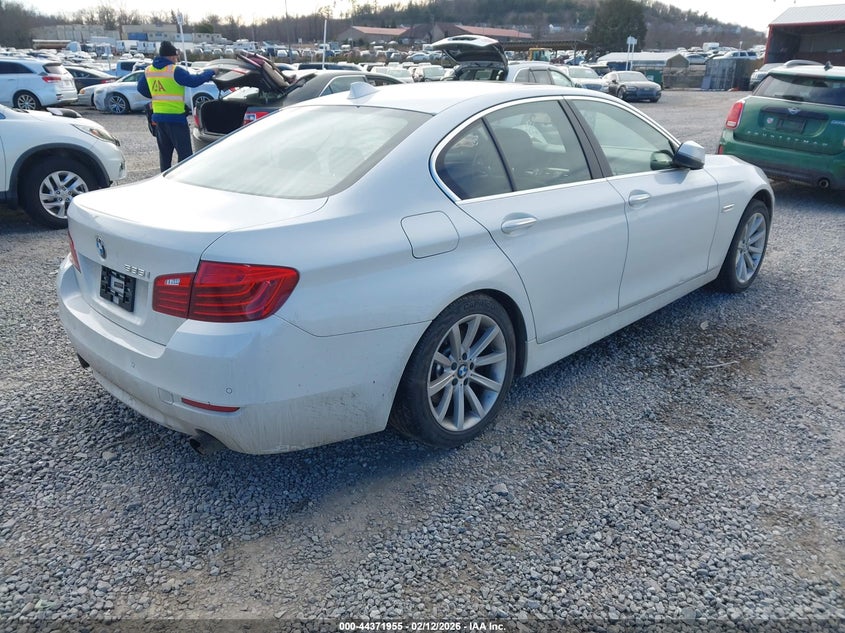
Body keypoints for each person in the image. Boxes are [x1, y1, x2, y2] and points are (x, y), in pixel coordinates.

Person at [138, 41, 215, 172]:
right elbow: (193, 81)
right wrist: (211, 72)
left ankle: (164, 181)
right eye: (175, 56)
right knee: (185, 157)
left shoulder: (149, 70)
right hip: (176, 119)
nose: (176, 59)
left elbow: (141, 88)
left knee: (165, 155)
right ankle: (183, 180)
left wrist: (156, 96)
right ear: (172, 56)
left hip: (159, 119)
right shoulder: (174, 70)